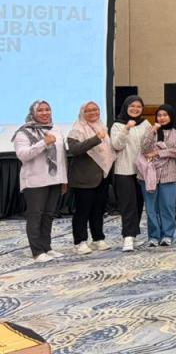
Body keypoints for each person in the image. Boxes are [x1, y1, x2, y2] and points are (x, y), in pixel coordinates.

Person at [13, 101, 68, 263]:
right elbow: (23, 155)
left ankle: (47, 247)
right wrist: (44, 143)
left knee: (48, 215)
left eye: (47, 109)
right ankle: (37, 251)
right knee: (35, 216)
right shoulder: (24, 132)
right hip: (35, 181)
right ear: (33, 113)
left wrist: (64, 180)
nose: (45, 113)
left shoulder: (55, 129)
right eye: (40, 110)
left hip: (54, 179)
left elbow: (61, 158)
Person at [65, 101, 114, 255]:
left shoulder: (102, 127)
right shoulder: (76, 130)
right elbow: (74, 150)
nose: (93, 112)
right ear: (82, 113)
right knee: (82, 211)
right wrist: (95, 139)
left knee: (98, 210)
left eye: (96, 109)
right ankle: (79, 242)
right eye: (89, 110)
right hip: (84, 179)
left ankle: (98, 239)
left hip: (102, 177)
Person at [135, 104, 176, 247]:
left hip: (168, 175)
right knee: (151, 208)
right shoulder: (150, 131)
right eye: (159, 115)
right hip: (149, 175)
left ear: (170, 117)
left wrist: (157, 153)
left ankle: (167, 235)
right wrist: (152, 131)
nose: (162, 118)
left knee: (167, 207)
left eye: (165, 115)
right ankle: (154, 236)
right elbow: (144, 148)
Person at [111, 95, 149, 252]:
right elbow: (116, 145)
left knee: (139, 203)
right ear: (126, 107)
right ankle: (127, 237)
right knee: (128, 205)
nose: (135, 109)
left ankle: (133, 235)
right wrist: (126, 128)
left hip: (142, 171)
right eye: (132, 106)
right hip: (124, 170)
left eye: (138, 107)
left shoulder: (145, 123)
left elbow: (149, 144)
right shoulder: (117, 125)